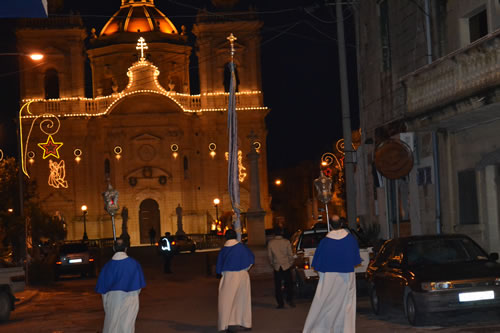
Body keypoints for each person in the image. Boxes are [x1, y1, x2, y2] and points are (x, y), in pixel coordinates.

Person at [302, 215, 361, 333]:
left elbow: (318, 264)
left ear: (329, 226)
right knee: (345, 306)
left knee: (325, 305)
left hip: (328, 279)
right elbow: (355, 260)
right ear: (342, 224)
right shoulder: (350, 240)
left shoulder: (325, 242)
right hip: (346, 279)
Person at [96, 238, 146, 333]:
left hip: (112, 298)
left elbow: (103, 290)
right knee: (127, 325)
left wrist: (107, 303)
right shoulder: (134, 264)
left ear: (114, 248)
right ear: (126, 249)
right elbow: (138, 286)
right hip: (130, 297)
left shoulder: (107, 266)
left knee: (112, 324)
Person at [216, 229, 254, 332]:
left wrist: (221, 273)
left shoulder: (224, 250)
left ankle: (224, 325)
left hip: (228, 276)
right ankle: (245, 322)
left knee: (226, 301)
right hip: (242, 275)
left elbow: (219, 266)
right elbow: (251, 259)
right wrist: (244, 269)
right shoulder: (242, 247)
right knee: (243, 299)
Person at [267, 226, 295, 309]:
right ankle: (289, 300)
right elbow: (290, 254)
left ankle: (280, 303)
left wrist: (273, 263)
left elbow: (270, 256)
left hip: (277, 266)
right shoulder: (286, 242)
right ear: (282, 232)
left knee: (278, 286)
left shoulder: (271, 243)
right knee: (289, 284)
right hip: (286, 265)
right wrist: (290, 263)